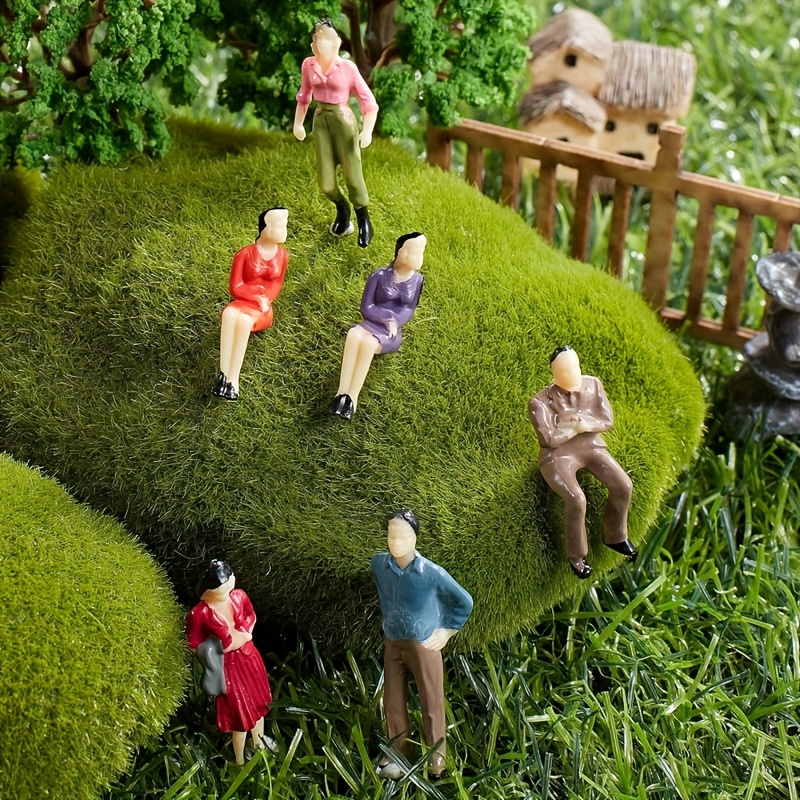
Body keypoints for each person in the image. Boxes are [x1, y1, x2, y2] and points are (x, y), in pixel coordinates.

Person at [371, 510, 473, 781]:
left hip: (423, 645)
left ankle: (437, 757)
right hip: (393, 643)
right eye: (392, 536)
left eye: (403, 537)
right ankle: (399, 749)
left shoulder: (430, 573)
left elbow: (464, 601)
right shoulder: (379, 565)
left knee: (431, 701)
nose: (396, 542)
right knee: (393, 700)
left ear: (415, 538)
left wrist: (447, 630)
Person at [528, 346, 636, 579]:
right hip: (558, 455)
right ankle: (577, 557)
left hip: (591, 445)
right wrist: (571, 429)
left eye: (575, 368)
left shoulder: (593, 384)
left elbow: (606, 420)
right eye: (565, 372)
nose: (573, 375)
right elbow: (547, 439)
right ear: (554, 374)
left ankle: (615, 535)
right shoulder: (539, 402)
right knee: (576, 499)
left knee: (623, 484)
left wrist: (584, 424)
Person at [293, 19, 379, 248]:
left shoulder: (348, 68)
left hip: (343, 121)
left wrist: (367, 131)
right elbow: (304, 96)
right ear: (313, 43)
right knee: (326, 183)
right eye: (317, 37)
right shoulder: (308, 65)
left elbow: (369, 103)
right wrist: (298, 124)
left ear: (336, 42)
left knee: (353, 176)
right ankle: (342, 209)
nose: (321, 42)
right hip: (321, 121)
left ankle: (363, 219)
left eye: (326, 38)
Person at [187, 560, 277, 764]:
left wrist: (244, 633)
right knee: (240, 713)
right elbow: (192, 642)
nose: (228, 585)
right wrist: (212, 652)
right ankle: (239, 759)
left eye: (229, 580)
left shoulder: (239, 596)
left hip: (248, 656)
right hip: (228, 666)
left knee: (258, 705)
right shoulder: (200, 612)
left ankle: (259, 742)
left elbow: (250, 614)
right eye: (222, 584)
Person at [330, 232, 426, 420]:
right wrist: (387, 318)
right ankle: (341, 392)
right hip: (373, 321)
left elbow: (409, 309)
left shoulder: (417, 280)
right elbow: (367, 307)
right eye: (415, 252)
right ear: (402, 253)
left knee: (368, 344)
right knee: (353, 335)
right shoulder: (379, 276)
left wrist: (394, 322)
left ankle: (352, 397)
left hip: (391, 332)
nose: (419, 257)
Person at [213, 208, 289, 401]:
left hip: (262, 308)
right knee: (229, 315)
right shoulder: (245, 254)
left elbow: (276, 284)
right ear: (267, 228)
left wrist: (264, 299)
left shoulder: (282, 255)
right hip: (243, 300)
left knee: (244, 322)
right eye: (280, 226)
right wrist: (255, 296)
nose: (284, 231)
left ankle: (233, 378)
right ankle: (223, 374)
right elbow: (236, 286)